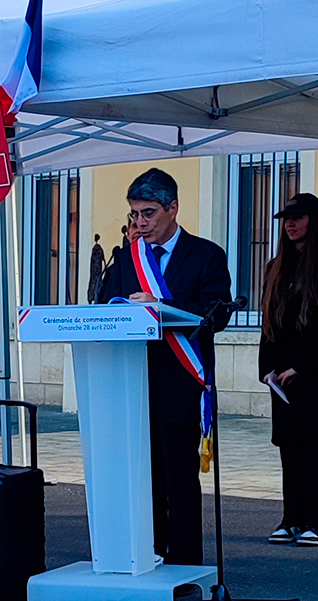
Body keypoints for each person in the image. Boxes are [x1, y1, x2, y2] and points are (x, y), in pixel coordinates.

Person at [99, 168, 232, 565]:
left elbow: (216, 313)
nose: (140, 223)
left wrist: (162, 308)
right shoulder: (127, 257)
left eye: (149, 213)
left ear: (173, 208)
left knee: (179, 479)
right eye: (135, 214)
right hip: (133, 382)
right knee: (144, 480)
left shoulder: (205, 254)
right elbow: (106, 306)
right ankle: (149, 555)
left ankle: (185, 562)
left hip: (181, 381)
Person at [258, 194, 318, 547]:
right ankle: (292, 518)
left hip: (316, 370)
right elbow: (268, 323)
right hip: (282, 374)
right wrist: (268, 369)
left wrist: (303, 366)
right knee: (289, 445)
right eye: (286, 218)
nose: (290, 224)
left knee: (313, 446)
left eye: (298, 217)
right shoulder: (276, 266)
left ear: (314, 220)